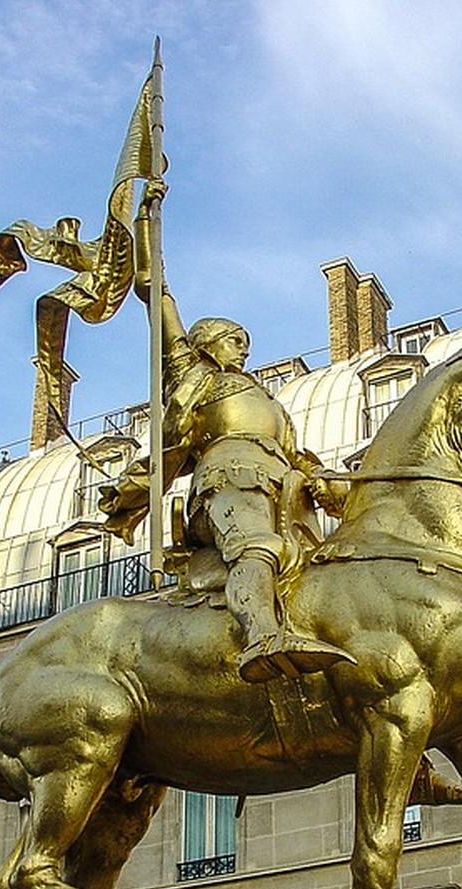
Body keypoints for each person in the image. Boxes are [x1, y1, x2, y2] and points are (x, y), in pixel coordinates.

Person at [99, 185, 353, 684]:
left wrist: (328, 481)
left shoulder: (269, 401)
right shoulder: (196, 377)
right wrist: (147, 222)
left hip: (285, 491)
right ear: (207, 345)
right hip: (229, 480)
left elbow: (298, 456)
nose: (244, 350)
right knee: (255, 547)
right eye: (235, 341)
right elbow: (155, 291)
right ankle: (261, 635)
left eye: (246, 344)